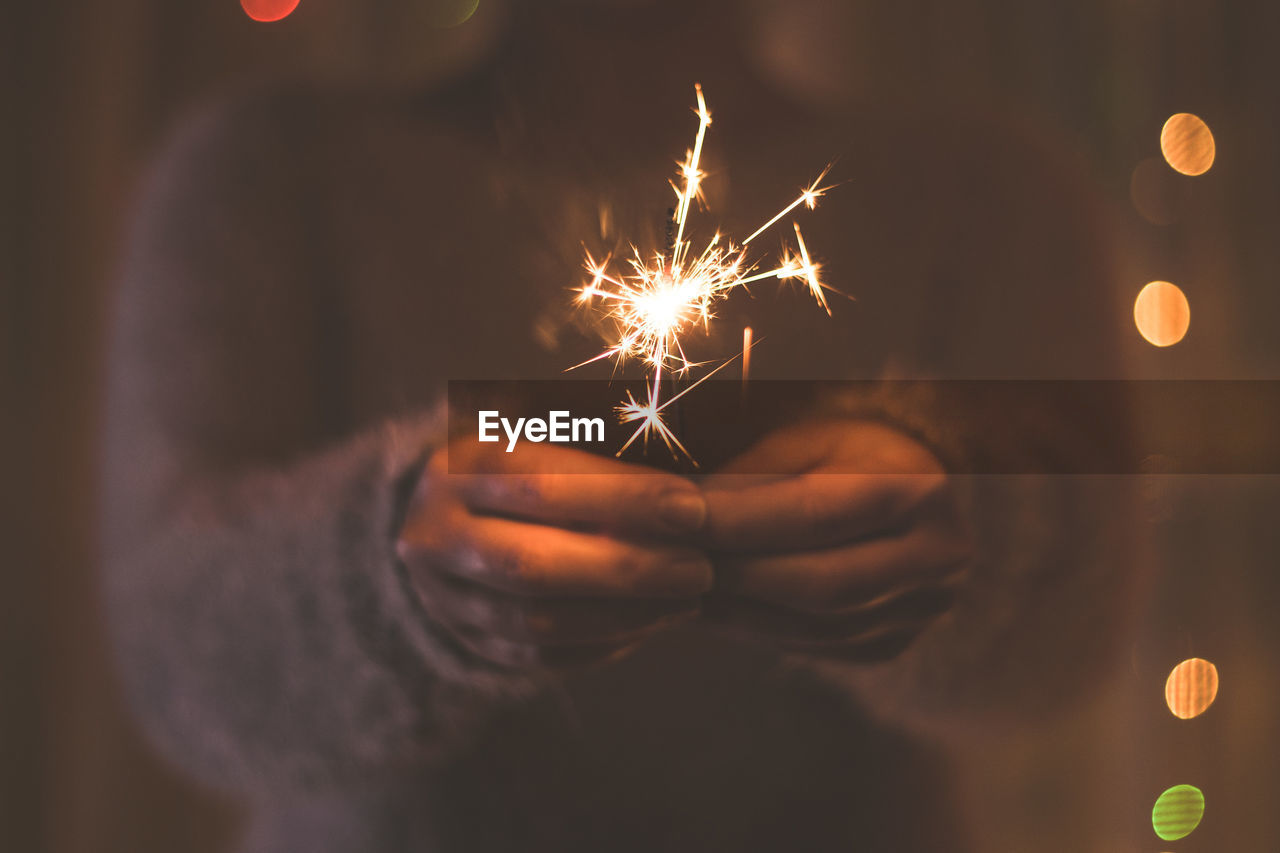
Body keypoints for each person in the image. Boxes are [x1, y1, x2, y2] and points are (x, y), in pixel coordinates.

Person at [101, 1, 1137, 850]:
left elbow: (1068, 639)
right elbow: (173, 653)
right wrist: (393, 578)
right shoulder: (263, 173)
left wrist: (955, 543)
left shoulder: (985, 196)